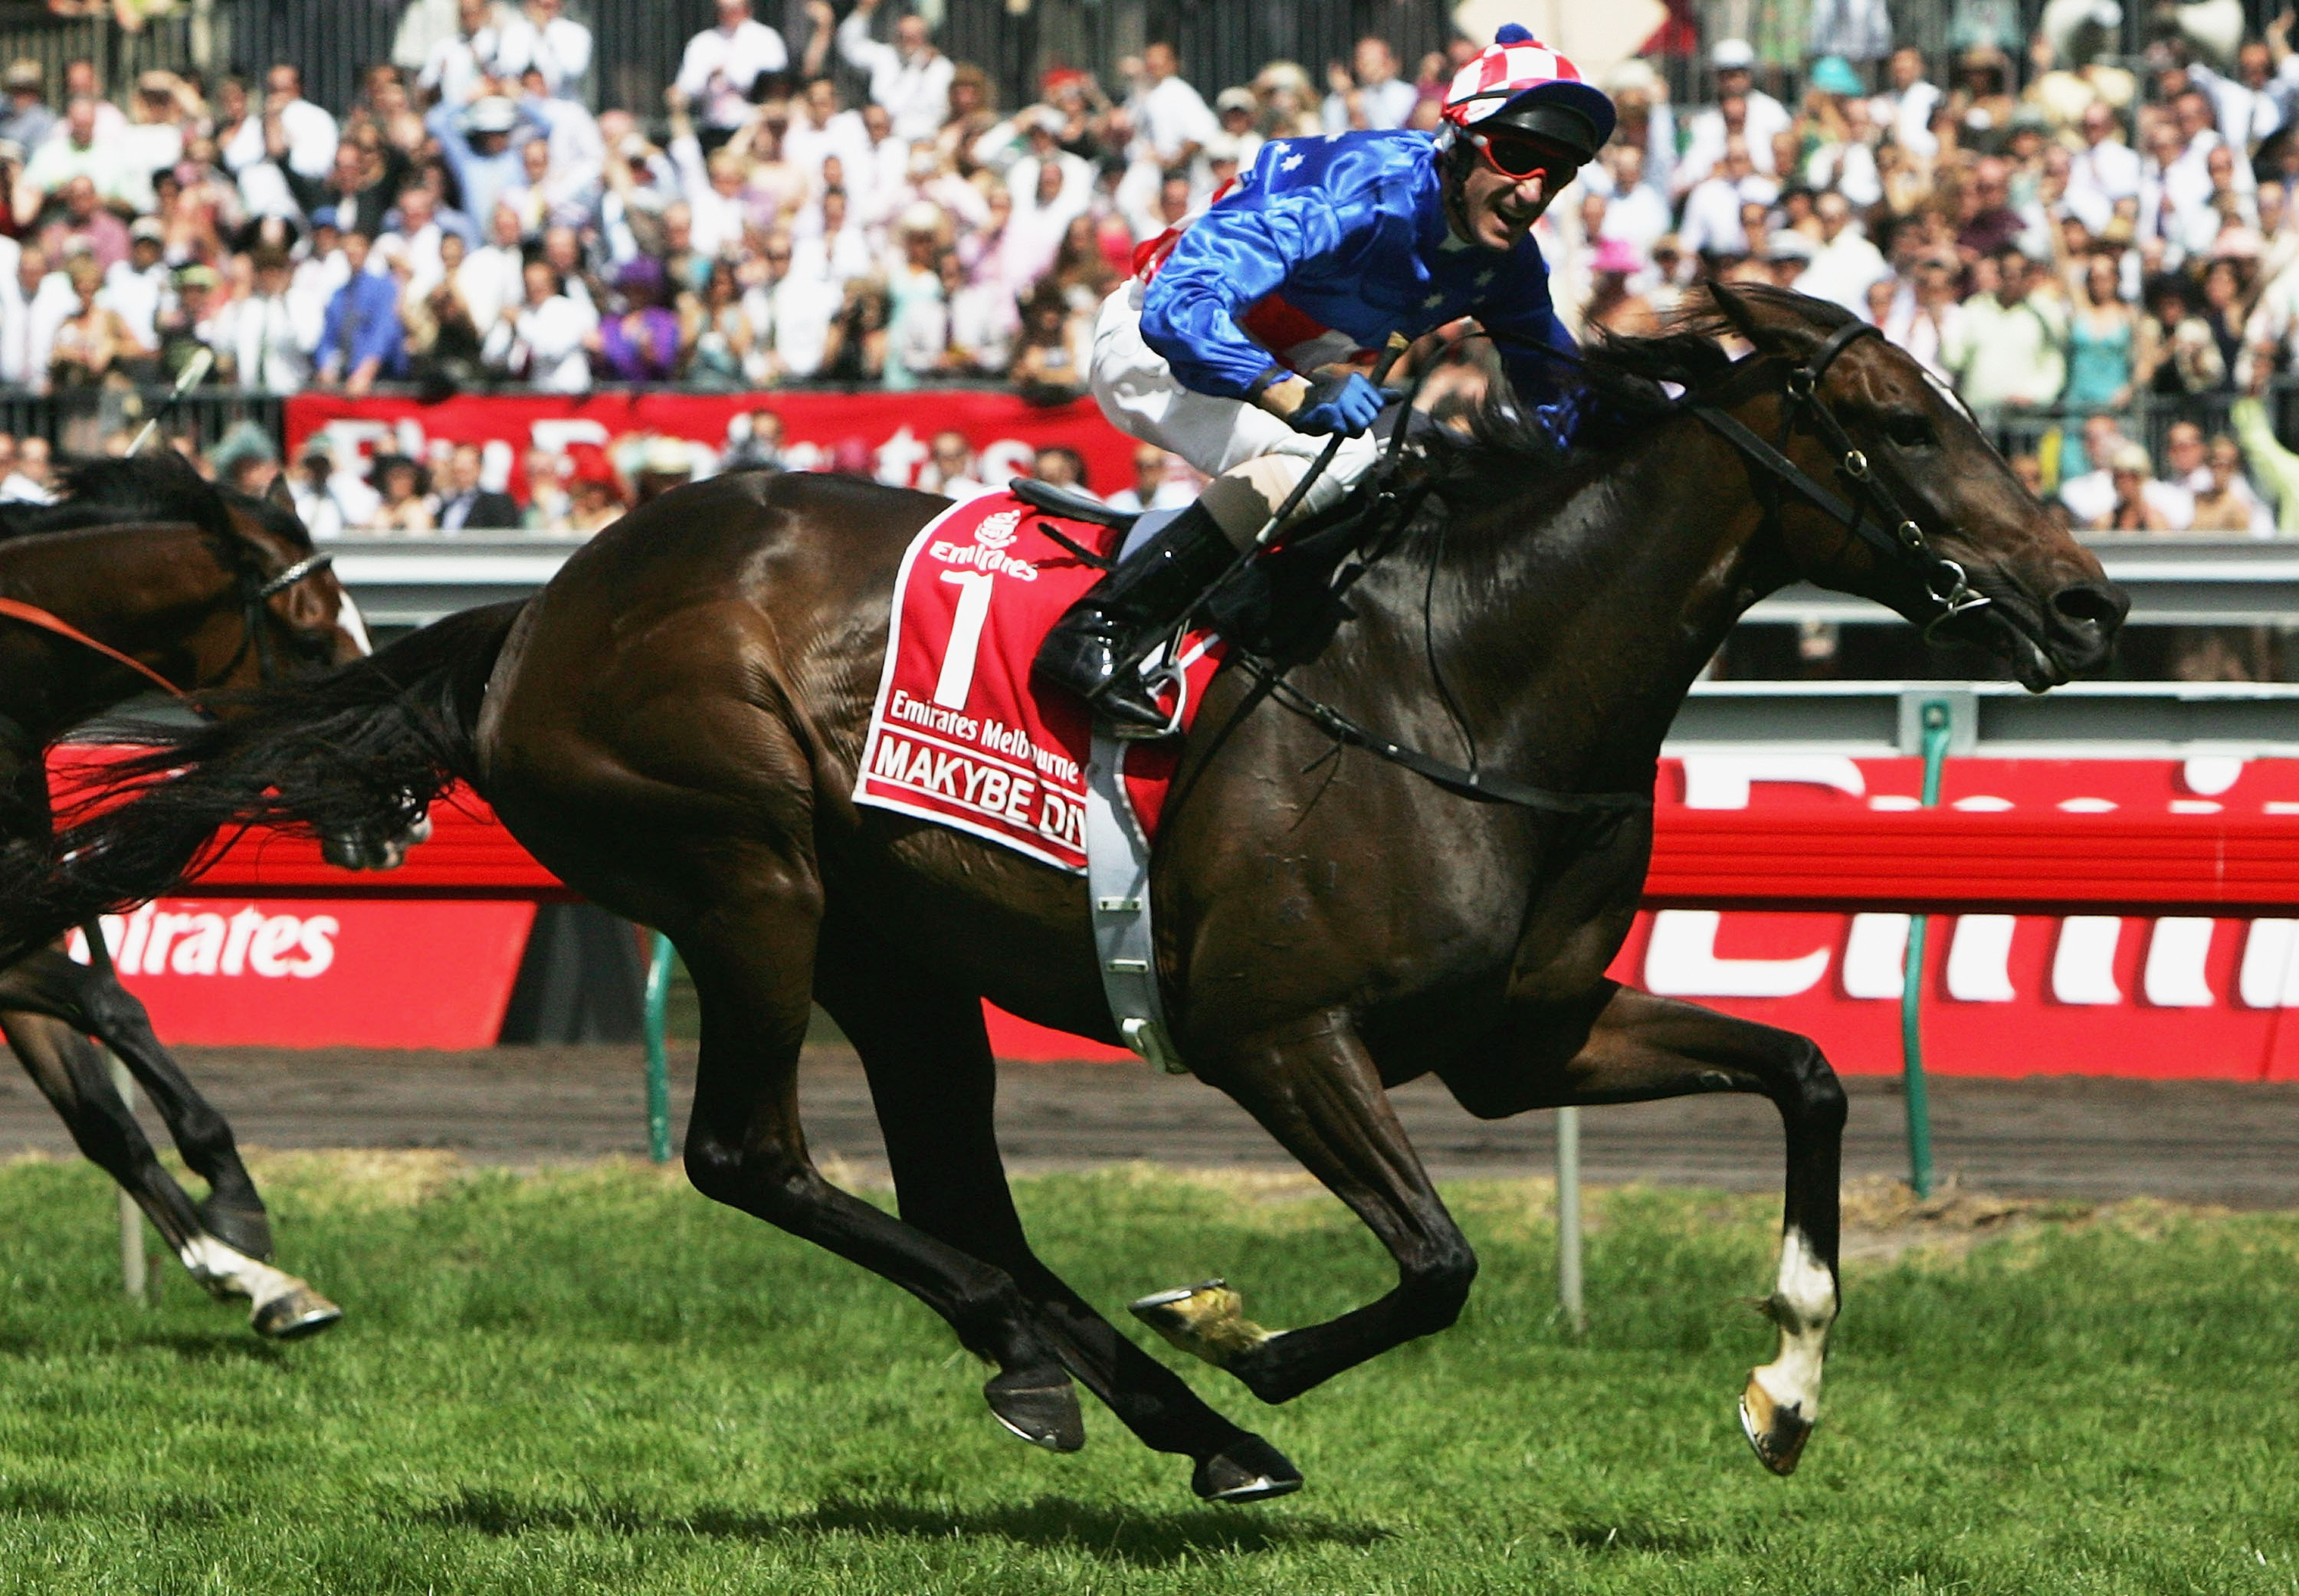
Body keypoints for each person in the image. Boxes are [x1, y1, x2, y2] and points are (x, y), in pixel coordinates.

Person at [1035, 26, 1609, 731]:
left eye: (1558, 172)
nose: (1533, 191)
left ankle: (1261, 619)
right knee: (1341, 457)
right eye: (1517, 156)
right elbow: (1179, 306)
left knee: (1429, 454)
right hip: (1154, 348)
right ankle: (1098, 631)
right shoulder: (1356, 192)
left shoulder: (1507, 264)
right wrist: (1294, 392)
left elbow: (1557, 388)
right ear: (1457, 142)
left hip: (1260, 368)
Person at [833, 0, 953, 144]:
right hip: (884, 139)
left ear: (924, 37)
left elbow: (942, 111)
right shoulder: (885, 56)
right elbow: (850, 46)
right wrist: (863, 11)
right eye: (903, 36)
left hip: (926, 139)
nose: (908, 42)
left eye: (914, 37)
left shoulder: (941, 67)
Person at [313, 229, 407, 396]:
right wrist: (326, 366)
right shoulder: (338, 295)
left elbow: (384, 332)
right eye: (348, 245)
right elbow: (327, 338)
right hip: (345, 380)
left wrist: (366, 371)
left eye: (358, 245)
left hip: (382, 382)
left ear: (367, 249)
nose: (352, 250)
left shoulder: (384, 288)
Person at [677, 0, 789, 139]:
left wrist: (731, 73)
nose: (729, 14)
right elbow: (687, 87)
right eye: (723, 9)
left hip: (755, 128)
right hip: (713, 125)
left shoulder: (766, 39)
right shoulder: (702, 42)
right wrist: (709, 76)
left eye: (735, 9)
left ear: (747, 9)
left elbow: (775, 83)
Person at [435, 441, 522, 531]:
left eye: (467, 466)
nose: (460, 469)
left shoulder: (497, 503)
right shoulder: (444, 504)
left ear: (479, 468)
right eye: (456, 464)